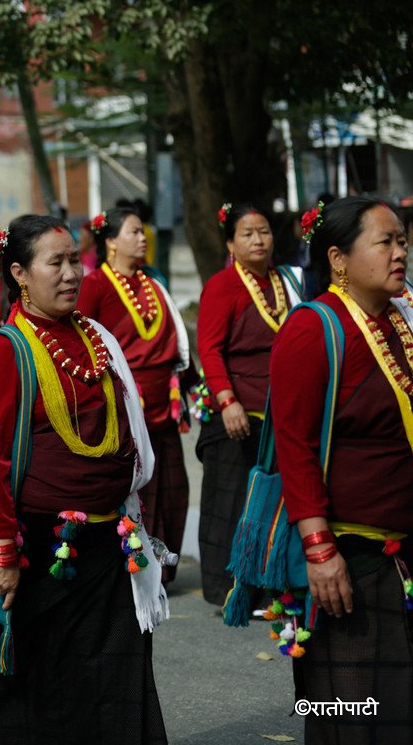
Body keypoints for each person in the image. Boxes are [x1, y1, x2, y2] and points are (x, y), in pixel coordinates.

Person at [0, 215, 168, 744]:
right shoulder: (5, 349)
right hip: (42, 550)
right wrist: (4, 553)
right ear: (20, 274)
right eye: (55, 262)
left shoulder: (95, 337)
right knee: (36, 686)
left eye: (75, 259)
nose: (72, 273)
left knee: (113, 682)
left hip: (109, 543)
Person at [270, 196, 413, 744]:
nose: (400, 252)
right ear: (338, 259)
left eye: (402, 241)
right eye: (386, 242)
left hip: (402, 552)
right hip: (347, 560)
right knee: (349, 713)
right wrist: (319, 550)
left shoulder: (401, 320)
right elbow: (295, 447)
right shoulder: (313, 329)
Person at [194, 203, 304, 604]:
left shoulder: (286, 281)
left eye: (264, 232)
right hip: (237, 410)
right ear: (230, 243)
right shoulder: (222, 287)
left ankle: (264, 584)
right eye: (247, 234)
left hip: (280, 412)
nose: (258, 240)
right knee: (230, 500)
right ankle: (224, 588)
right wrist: (227, 401)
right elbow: (208, 349)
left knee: (270, 501)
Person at [80, 206, 190, 583]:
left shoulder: (152, 281)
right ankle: (138, 569)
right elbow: (85, 340)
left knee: (173, 487)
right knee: (137, 487)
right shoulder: (95, 284)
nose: (143, 238)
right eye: (133, 232)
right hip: (127, 403)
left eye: (143, 232)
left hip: (165, 400)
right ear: (110, 242)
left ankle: (166, 568)